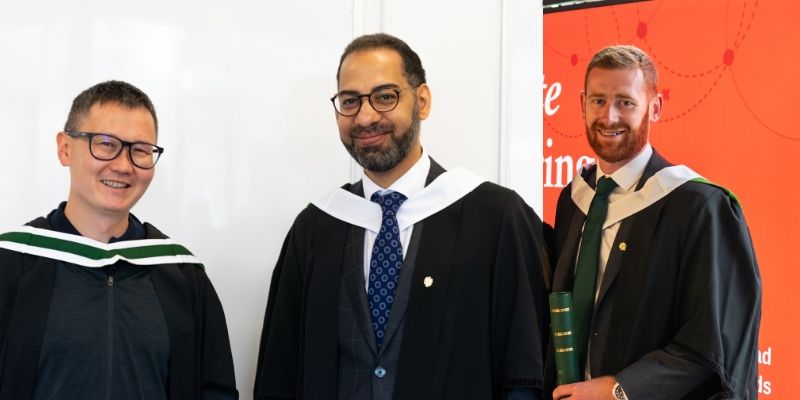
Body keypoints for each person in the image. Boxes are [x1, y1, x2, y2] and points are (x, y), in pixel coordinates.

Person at [254, 33, 548, 399]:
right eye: (350, 101)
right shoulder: (315, 229)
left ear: (421, 101)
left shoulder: (495, 218)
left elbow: (523, 371)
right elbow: (279, 373)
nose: (364, 116)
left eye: (384, 97)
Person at [545, 45, 761, 399]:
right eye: (598, 100)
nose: (609, 116)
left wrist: (620, 390)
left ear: (654, 107)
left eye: (625, 102)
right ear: (582, 103)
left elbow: (713, 342)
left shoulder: (699, 208)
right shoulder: (574, 199)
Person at [0, 81, 238, 399]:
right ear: (65, 148)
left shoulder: (182, 274)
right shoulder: (11, 263)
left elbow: (215, 389)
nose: (124, 166)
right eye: (106, 144)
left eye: (140, 150)